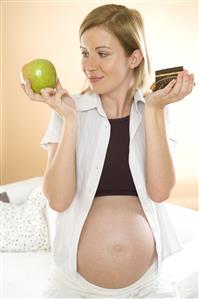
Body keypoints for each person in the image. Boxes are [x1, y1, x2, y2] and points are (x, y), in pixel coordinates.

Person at [21, 4, 195, 298]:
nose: (89, 65)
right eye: (84, 53)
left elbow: (160, 191)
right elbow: (59, 201)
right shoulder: (67, 110)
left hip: (146, 286)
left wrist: (153, 110)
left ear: (133, 58)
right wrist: (70, 120)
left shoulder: (156, 110)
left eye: (102, 54)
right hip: (73, 287)